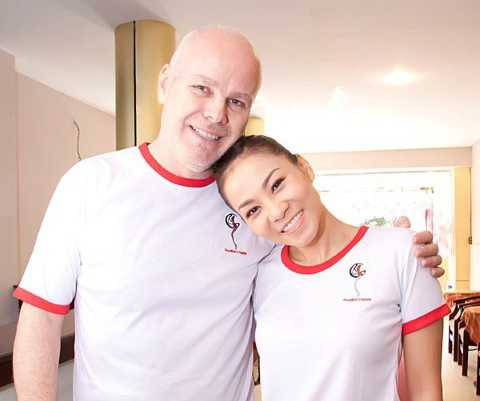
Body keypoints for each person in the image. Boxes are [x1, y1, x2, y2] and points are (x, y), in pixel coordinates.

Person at [12, 27, 443, 401]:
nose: (217, 112)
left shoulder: (250, 211)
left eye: (236, 100)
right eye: (202, 88)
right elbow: (41, 318)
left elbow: (320, 261)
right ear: (165, 84)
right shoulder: (90, 184)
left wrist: (399, 255)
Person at [212, 135, 449, 401]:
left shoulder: (403, 252)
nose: (276, 212)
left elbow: (425, 391)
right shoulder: (257, 276)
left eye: (277, 185)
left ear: (304, 168)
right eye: (253, 210)